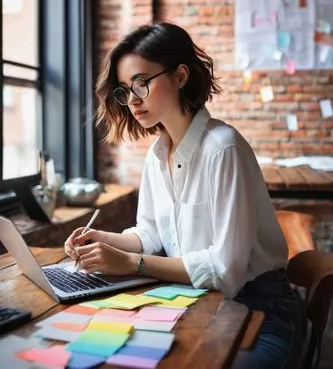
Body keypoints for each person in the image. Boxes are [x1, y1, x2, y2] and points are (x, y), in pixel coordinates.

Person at [65, 22, 306, 368]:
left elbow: (226, 272)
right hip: (197, 304)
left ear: (180, 76)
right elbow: (149, 232)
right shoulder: (156, 154)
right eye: (123, 90)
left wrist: (132, 264)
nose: (132, 100)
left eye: (142, 83)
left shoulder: (224, 149)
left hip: (261, 311)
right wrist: (103, 239)